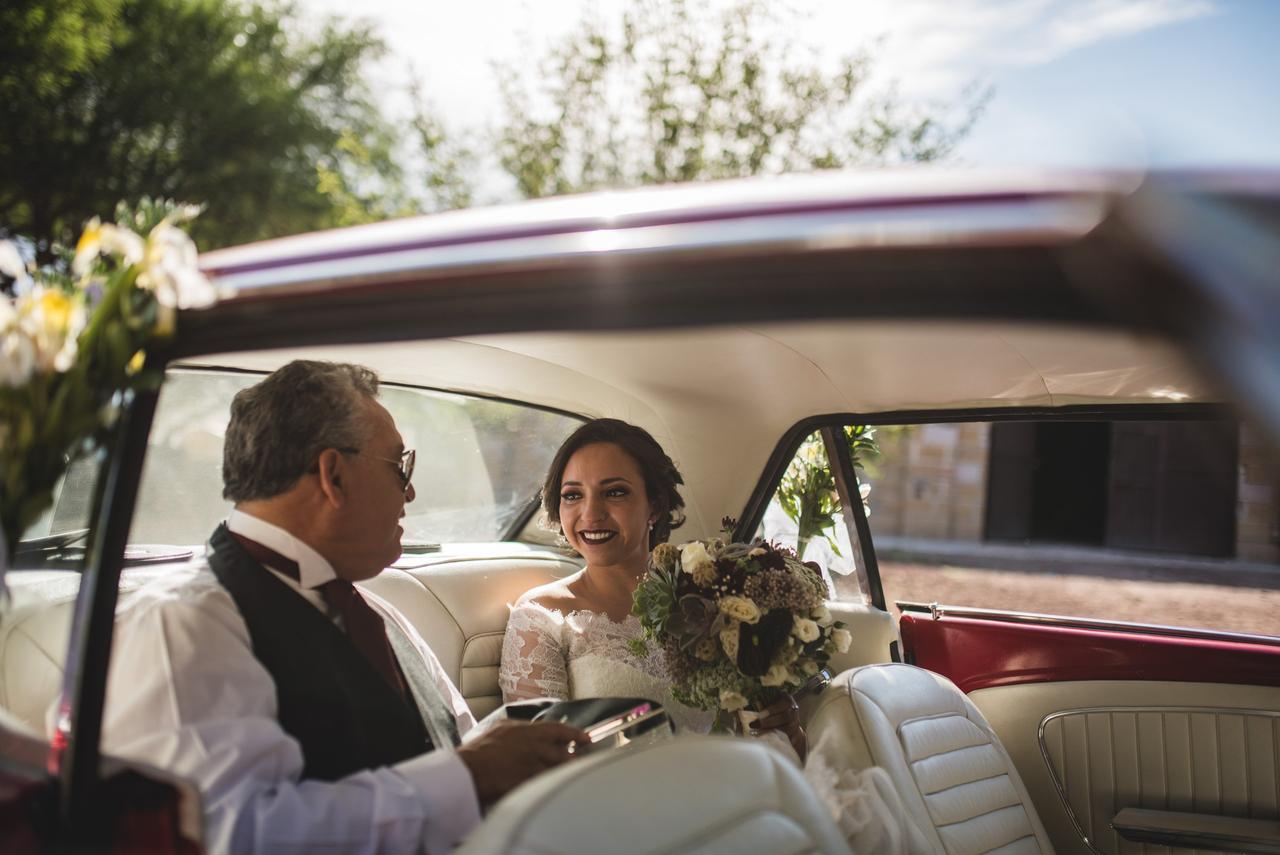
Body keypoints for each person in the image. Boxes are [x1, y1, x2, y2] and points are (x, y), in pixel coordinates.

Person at [96, 361, 586, 854]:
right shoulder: (182, 623)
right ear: (333, 475)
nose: (410, 491)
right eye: (400, 467)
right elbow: (229, 835)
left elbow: (451, 743)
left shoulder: (377, 614)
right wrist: (466, 776)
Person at [498, 418, 910, 851]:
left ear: (654, 505)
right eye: (572, 496)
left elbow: (758, 731)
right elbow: (535, 766)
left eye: (615, 492)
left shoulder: (714, 602)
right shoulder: (542, 616)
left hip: (742, 800)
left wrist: (785, 726)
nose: (591, 513)